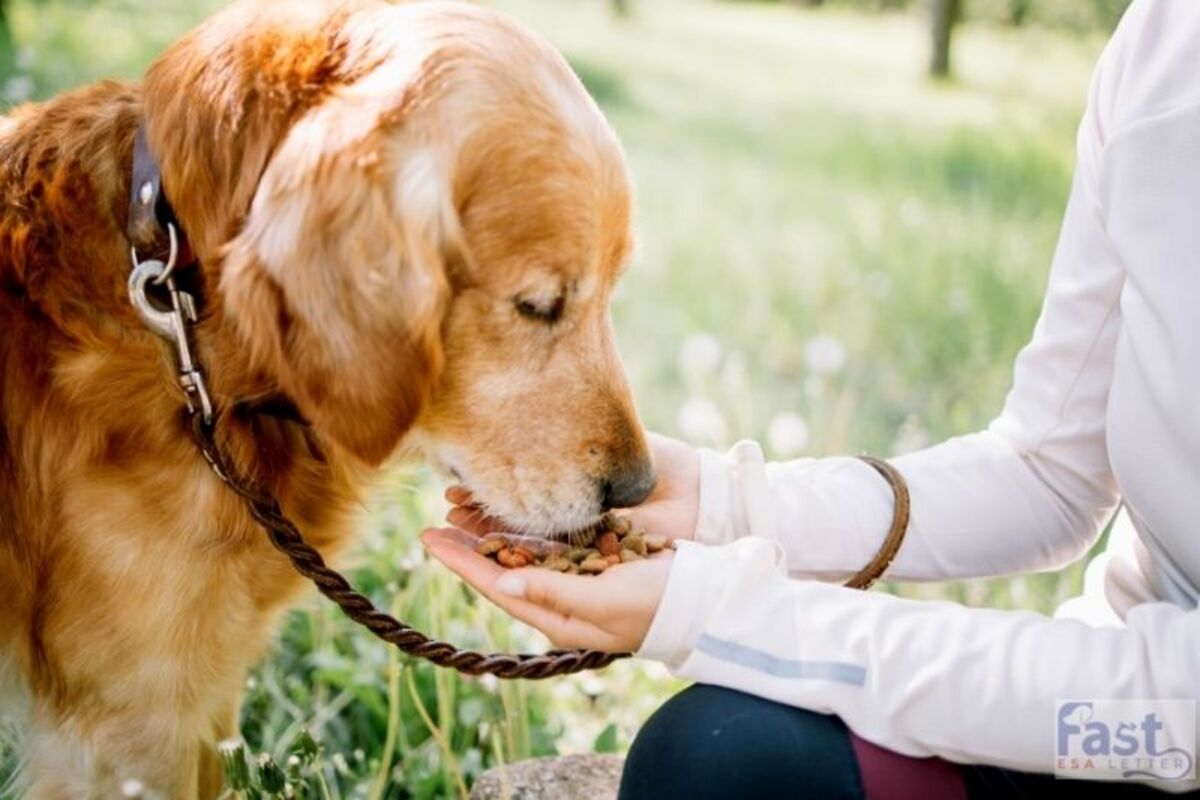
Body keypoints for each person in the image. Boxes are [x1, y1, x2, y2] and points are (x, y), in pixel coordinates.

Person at [422, 1, 1200, 796]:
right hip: (1093, 730)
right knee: (716, 759)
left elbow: (1185, 717)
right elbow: (1050, 475)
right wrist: (728, 504)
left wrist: (734, 616)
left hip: (1161, 726)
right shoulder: (1165, 39)